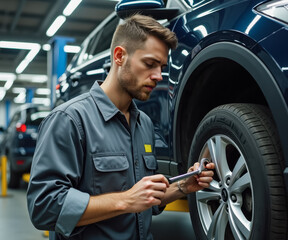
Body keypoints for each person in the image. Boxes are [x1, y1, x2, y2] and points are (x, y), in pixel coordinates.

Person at [27, 14, 215, 240]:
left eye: (162, 67)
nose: (158, 76)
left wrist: (182, 186)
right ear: (119, 56)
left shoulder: (144, 123)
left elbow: (145, 201)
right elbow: (44, 208)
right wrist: (125, 200)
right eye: (149, 64)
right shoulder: (69, 120)